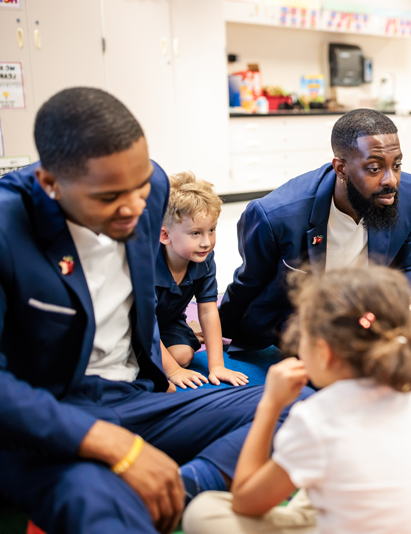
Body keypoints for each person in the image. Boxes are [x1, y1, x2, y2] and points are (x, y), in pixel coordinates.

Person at [0, 88, 311, 534]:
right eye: (109, 198)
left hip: (135, 399)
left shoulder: (155, 190)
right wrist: (112, 446)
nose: (133, 210)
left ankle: (182, 486)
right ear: (51, 185)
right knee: (94, 505)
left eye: (140, 189)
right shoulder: (7, 226)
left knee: (304, 406)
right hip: (48, 421)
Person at [219, 109, 411, 364]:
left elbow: (408, 263)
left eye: (396, 165)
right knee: (338, 357)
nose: (391, 180)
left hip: (373, 297)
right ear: (341, 169)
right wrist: (217, 326)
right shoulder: (276, 215)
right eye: (374, 168)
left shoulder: (409, 193)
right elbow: (249, 283)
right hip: (309, 314)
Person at [183, 266, 411, 534]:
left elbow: (245, 502)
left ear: (324, 352)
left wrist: (269, 405)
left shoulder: (317, 417)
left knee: (203, 512)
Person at [156, 171, 248, 389]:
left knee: (183, 355)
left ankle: (187, 332)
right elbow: (143, 322)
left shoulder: (203, 258)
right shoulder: (147, 266)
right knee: (160, 364)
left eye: (212, 230)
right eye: (196, 233)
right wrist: (174, 372)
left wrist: (217, 366)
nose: (207, 242)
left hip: (167, 321)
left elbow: (208, 309)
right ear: (165, 235)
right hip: (134, 326)